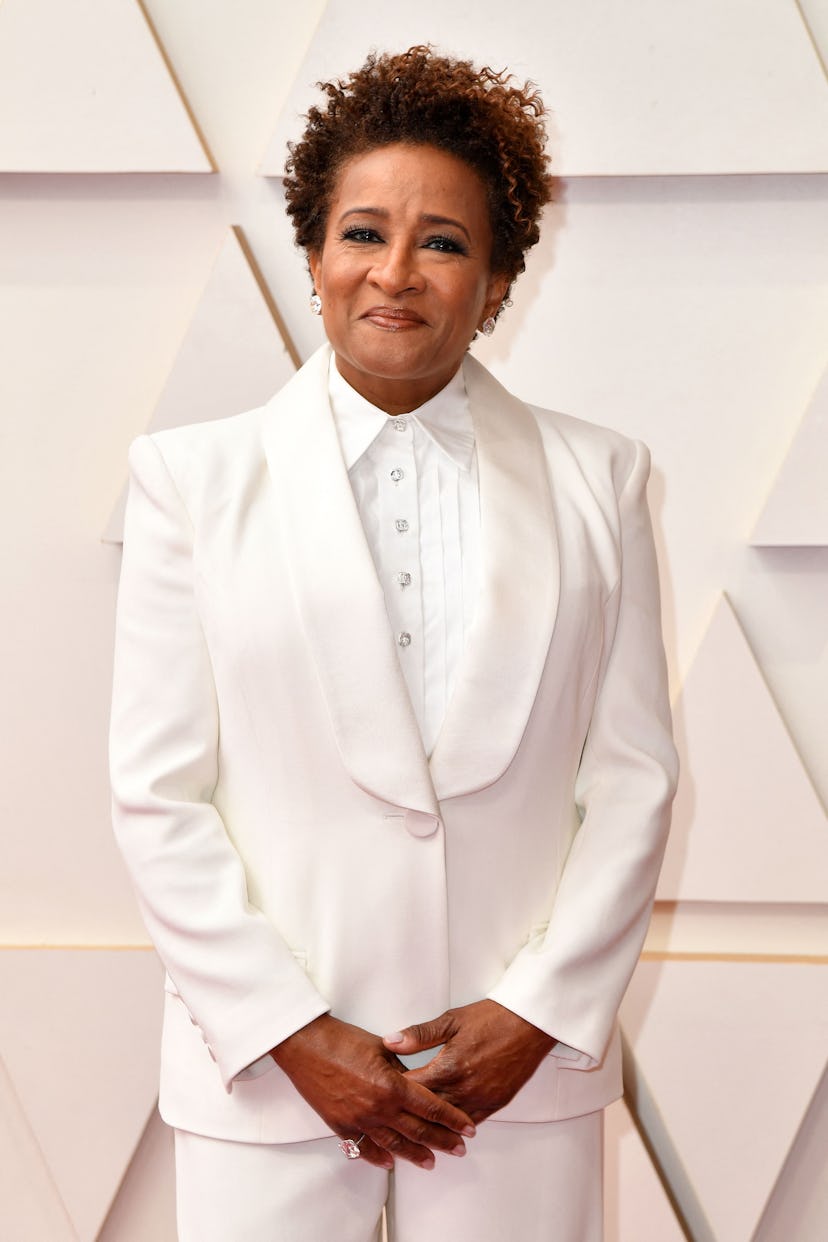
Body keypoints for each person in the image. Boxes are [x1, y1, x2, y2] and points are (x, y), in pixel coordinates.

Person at [110, 45, 678, 1242]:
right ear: (312, 251)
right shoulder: (190, 482)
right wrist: (286, 1030)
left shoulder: (603, 479)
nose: (397, 273)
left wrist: (537, 1012)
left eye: (446, 242)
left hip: (512, 1086)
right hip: (266, 1080)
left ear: (500, 276)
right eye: (363, 232)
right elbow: (157, 794)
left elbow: (632, 781)